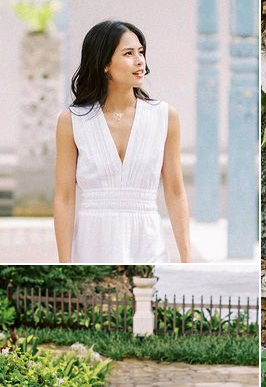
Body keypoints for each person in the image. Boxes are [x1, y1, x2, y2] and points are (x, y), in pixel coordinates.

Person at [53, 20, 192, 263]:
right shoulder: (71, 121)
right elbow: (64, 197)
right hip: (91, 242)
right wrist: (65, 263)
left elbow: (175, 190)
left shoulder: (165, 116)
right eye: (128, 53)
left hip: (148, 240)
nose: (140, 61)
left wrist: (187, 258)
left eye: (141, 52)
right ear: (105, 63)